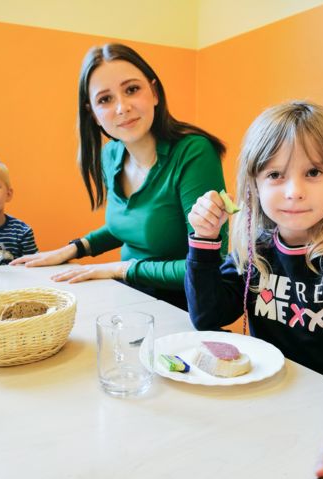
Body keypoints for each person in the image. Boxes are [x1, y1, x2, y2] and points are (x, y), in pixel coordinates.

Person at [185, 101, 323, 479]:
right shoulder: (255, 246)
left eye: (313, 172)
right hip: (269, 403)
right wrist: (204, 242)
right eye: (275, 174)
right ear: (254, 184)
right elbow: (209, 317)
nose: (294, 191)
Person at [11, 43, 228, 310]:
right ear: (93, 114)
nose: (122, 107)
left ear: (155, 93)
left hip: (181, 305)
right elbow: (125, 226)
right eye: (105, 99)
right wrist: (71, 250)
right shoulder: (110, 155)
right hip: (127, 294)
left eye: (132, 89)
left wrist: (118, 268)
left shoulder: (194, 153)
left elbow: (210, 263)